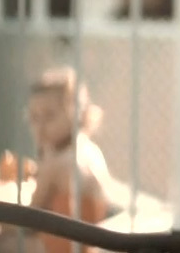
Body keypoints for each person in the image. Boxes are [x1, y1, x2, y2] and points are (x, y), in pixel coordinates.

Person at [25, 67, 114, 253]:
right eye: (34, 117)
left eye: (49, 116)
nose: (40, 126)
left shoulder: (59, 162)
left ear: (75, 113)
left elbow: (29, 219)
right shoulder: (90, 149)